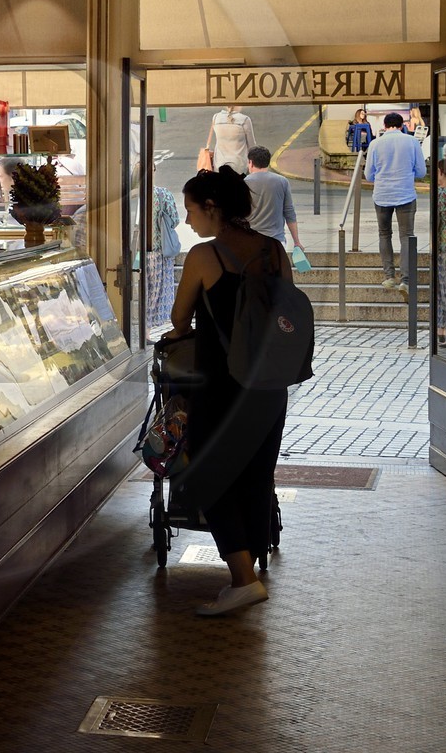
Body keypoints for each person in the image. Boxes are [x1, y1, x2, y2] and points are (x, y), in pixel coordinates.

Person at [168, 166, 289, 616]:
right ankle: (251, 565)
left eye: (191, 210)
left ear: (211, 208)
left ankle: (243, 579)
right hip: (270, 384)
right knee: (257, 473)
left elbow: (180, 320)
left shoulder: (205, 257)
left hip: (222, 385)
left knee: (207, 472)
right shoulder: (275, 251)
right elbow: (286, 315)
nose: (189, 220)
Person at [364, 111, 427, 291]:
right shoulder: (412, 142)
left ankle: (389, 277)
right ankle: (405, 281)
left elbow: (369, 175)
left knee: (384, 234)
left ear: (384, 126)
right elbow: (422, 172)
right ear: (402, 126)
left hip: (382, 195)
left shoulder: (375, 144)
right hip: (406, 194)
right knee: (406, 236)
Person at [243, 146, 303, 252]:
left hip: (250, 241)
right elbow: (289, 213)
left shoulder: (243, 183)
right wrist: (297, 242)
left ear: (251, 163)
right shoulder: (282, 181)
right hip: (276, 241)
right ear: (268, 162)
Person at [144, 174, 182, 335]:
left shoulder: (132, 195)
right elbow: (174, 219)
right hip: (158, 250)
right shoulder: (162, 194)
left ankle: (141, 330)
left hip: (137, 252)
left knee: (142, 287)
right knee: (155, 291)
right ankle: (146, 329)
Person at [204, 105, 256, 174]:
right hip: (239, 166)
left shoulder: (216, 117)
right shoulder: (244, 120)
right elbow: (252, 147)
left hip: (219, 165)